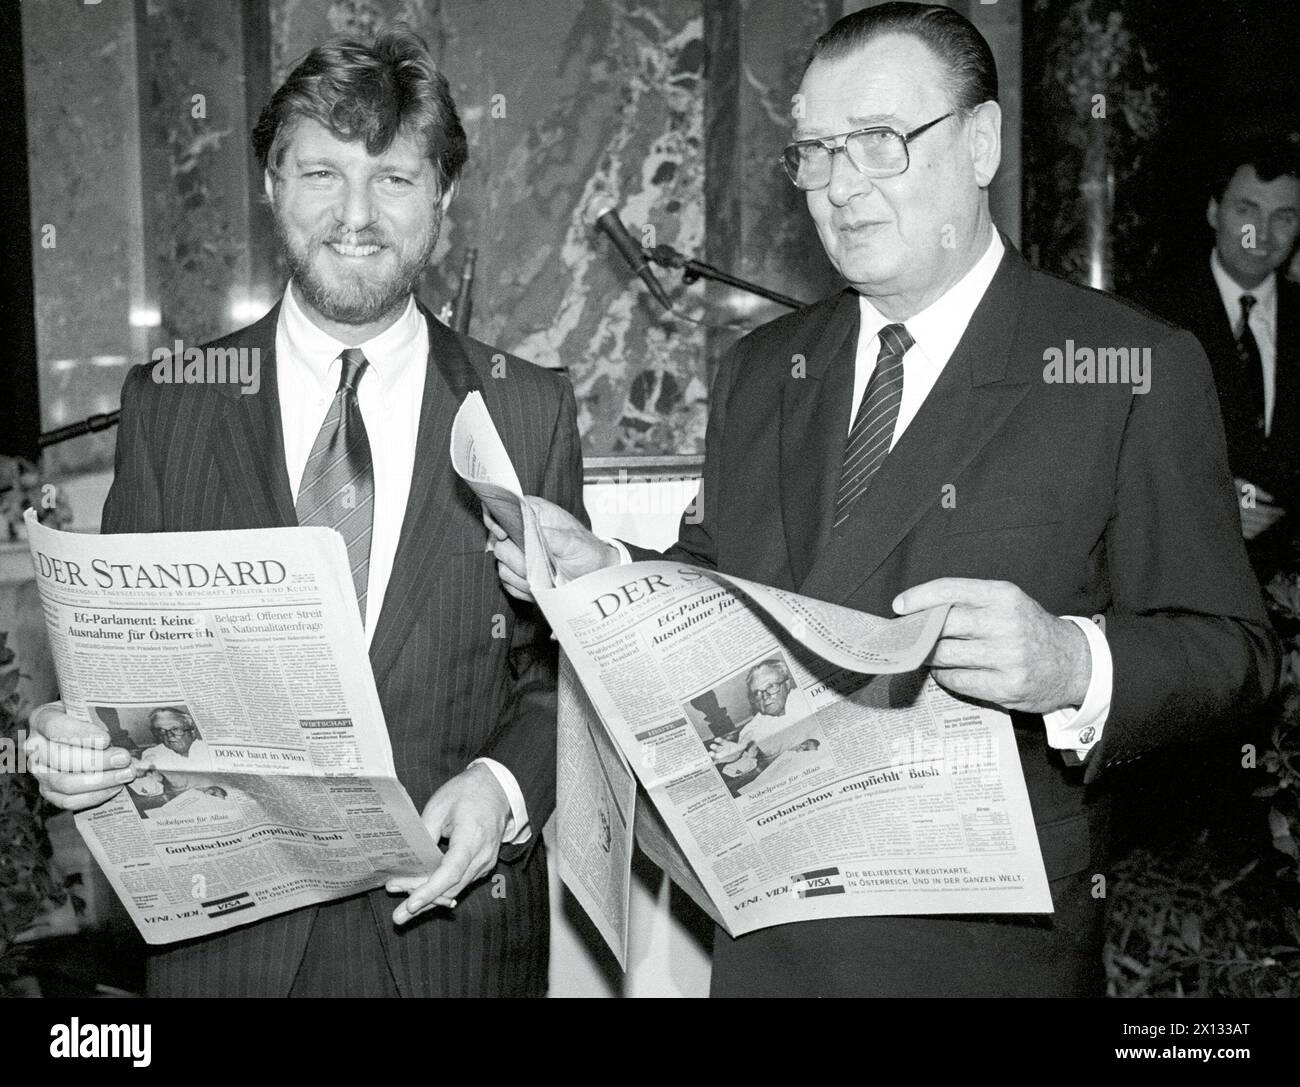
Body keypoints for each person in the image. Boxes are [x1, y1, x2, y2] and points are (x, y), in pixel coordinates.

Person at [488, 2, 1276, 996]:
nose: (839, 186)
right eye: (814, 150)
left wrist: (1072, 661)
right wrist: (609, 575)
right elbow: (723, 591)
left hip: (977, 958)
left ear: (982, 141)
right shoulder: (761, 370)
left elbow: (1232, 653)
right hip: (766, 939)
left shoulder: (1124, 367)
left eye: (879, 142)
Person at [25, 27, 586, 998]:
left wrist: (504, 788)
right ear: (271, 186)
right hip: (231, 954)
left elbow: (563, 672)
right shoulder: (171, 401)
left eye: (396, 178)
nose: (356, 215)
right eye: (321, 172)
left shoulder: (527, 406)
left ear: (443, 199)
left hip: (451, 942)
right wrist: (82, 750)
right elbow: (123, 683)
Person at [1135, 140, 1300, 575]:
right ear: (1214, 212)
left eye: (1283, 217)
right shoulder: (1148, 315)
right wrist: (1210, 497)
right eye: (1246, 210)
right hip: (1180, 575)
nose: (1261, 235)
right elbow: (1119, 450)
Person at [139, 707, 211, 767]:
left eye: (175, 729)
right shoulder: (153, 754)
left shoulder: (208, 749)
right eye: (162, 731)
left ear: (192, 732)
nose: (169, 735)